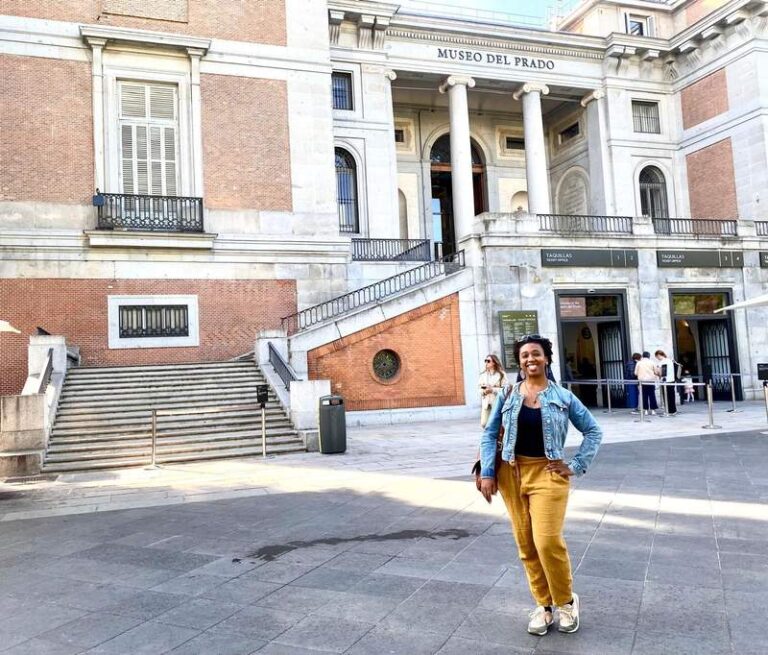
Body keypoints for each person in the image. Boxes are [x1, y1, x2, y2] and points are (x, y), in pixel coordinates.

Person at [478, 335, 602, 636]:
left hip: (548, 473)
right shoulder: (509, 394)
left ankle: (566, 602)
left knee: (547, 541)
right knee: (526, 544)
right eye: (524, 355)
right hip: (512, 473)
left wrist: (574, 465)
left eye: (535, 354)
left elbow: (593, 432)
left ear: (546, 358)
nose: (530, 359)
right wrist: (488, 472)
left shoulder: (563, 396)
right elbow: (489, 432)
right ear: (519, 362)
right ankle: (543, 605)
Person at [478, 354, 507, 428]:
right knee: (484, 423)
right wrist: (484, 391)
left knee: (497, 423)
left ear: (494, 362)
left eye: (488, 361)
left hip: (497, 402)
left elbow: (505, 389)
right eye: (485, 361)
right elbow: (479, 389)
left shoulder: (501, 375)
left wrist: (493, 390)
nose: (486, 363)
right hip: (486, 403)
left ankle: (495, 437)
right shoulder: (483, 375)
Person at [634, 351, 658, 415]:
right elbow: (656, 372)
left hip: (642, 382)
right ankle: (653, 410)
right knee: (652, 395)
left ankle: (646, 410)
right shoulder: (652, 362)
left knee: (644, 396)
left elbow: (635, 373)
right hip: (651, 381)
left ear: (642, 356)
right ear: (649, 356)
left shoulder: (639, 363)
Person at [654, 349, 678, 415]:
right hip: (672, 380)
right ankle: (673, 410)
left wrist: (656, 373)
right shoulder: (670, 361)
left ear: (658, 355)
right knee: (671, 396)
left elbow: (661, 373)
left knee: (666, 396)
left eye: (656, 357)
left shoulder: (661, 362)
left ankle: (668, 410)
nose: (657, 358)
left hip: (665, 381)